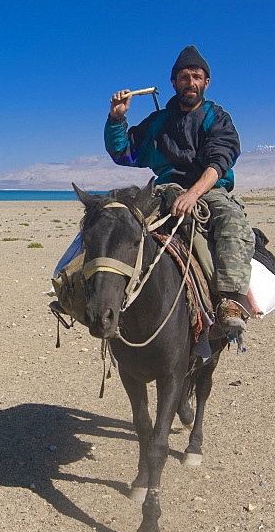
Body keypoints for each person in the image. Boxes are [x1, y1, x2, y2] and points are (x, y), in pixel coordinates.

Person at [104, 45, 255, 335]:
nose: (190, 82)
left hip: (207, 190)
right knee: (111, 218)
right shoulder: (157, 123)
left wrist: (193, 194)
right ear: (173, 83)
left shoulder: (217, 117)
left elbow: (220, 160)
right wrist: (116, 119)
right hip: (162, 190)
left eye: (196, 76)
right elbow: (123, 152)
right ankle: (75, 287)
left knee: (232, 222)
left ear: (206, 82)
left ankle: (230, 301)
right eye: (184, 77)